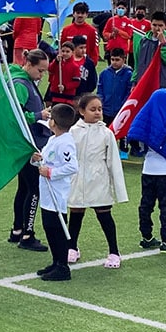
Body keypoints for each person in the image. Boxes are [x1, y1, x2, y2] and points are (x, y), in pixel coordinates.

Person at [66, 93, 127, 268]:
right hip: (78, 181)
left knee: (104, 215)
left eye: (99, 109)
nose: (97, 112)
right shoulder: (73, 132)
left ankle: (114, 252)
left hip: (99, 181)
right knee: (76, 215)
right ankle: (72, 247)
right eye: (92, 109)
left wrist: (119, 191)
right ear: (82, 111)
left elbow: (114, 162)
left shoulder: (106, 133)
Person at [127, 88, 166, 253]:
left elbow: (135, 138)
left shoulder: (145, 119)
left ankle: (146, 237)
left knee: (146, 205)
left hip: (148, 170)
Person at [29, 104, 81, 282]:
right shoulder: (53, 139)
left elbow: (72, 166)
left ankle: (63, 267)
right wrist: (36, 159)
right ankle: (56, 261)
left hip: (57, 194)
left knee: (57, 229)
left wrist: (51, 173)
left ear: (54, 123)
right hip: (47, 193)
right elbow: (45, 161)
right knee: (49, 228)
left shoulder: (66, 142)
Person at [7, 50, 51, 252]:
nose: (42, 75)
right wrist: (38, 115)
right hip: (28, 145)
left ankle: (18, 229)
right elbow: (15, 116)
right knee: (34, 189)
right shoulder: (21, 84)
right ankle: (27, 234)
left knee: (24, 188)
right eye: (40, 71)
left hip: (27, 143)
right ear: (29, 65)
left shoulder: (24, 81)